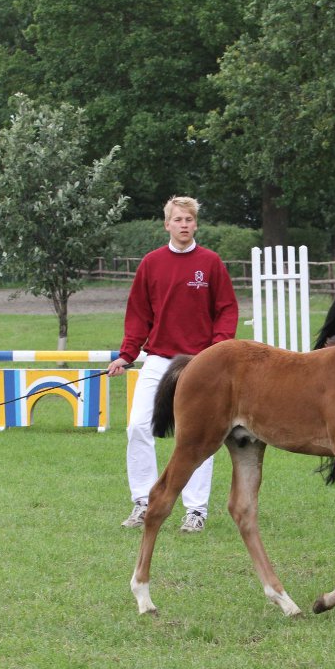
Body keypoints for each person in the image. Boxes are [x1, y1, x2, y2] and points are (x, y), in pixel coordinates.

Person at [107, 196, 238, 532]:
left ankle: (196, 511)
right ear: (166, 224)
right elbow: (138, 314)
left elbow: (226, 309)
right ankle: (143, 502)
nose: (184, 225)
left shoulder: (211, 263)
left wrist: (217, 350)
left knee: (197, 436)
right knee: (137, 426)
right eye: (177, 219)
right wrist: (127, 353)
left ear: (196, 224)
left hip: (199, 364)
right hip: (158, 360)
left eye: (189, 220)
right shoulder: (151, 264)